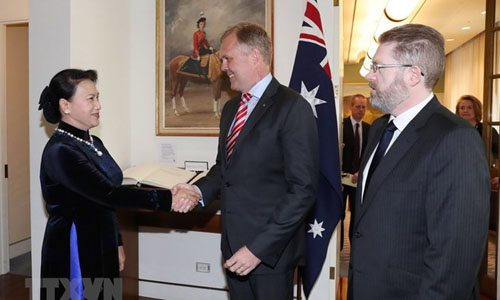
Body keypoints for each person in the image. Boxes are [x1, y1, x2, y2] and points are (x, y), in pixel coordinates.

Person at [172, 22, 319, 299]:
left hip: (269, 255)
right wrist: (198, 190)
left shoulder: (292, 107)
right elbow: (223, 170)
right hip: (232, 247)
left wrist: (258, 249)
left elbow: (303, 190)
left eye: (228, 58)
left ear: (254, 56)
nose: (223, 66)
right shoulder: (230, 109)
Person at [348, 24, 490, 300]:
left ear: (413, 75)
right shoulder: (378, 129)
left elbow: (455, 258)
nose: (369, 75)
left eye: (378, 67)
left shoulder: (455, 139)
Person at [38, 69, 196, 299]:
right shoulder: (60, 150)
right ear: (66, 105)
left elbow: (104, 201)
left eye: (98, 97)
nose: (98, 105)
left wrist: (117, 243)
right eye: (90, 99)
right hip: (76, 244)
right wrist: (169, 199)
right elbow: (109, 193)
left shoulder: (94, 142)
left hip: (101, 239)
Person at [342, 94, 370, 242]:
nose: (361, 110)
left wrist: (361, 172)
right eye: (358, 106)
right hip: (341, 179)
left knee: (356, 215)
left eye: (363, 107)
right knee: (339, 213)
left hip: (358, 179)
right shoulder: (341, 126)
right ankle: (337, 248)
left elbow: (369, 155)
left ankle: (354, 250)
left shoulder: (368, 129)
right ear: (351, 107)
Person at [456, 94, 499, 190]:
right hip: (457, 180)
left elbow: (498, 155)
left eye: (469, 107)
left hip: (483, 179)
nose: (465, 111)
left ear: (477, 110)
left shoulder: (488, 130)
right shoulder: (451, 131)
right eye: (462, 108)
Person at [178, 14, 214, 79]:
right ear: (198, 25)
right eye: (201, 24)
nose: (203, 25)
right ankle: (200, 72)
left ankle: (209, 71)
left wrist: (209, 47)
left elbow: (205, 41)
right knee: (199, 59)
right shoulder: (196, 34)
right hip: (198, 50)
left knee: (211, 54)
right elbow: (195, 45)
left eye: (203, 24)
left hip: (203, 48)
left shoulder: (204, 33)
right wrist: (197, 55)